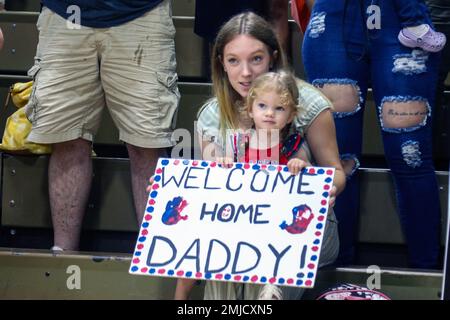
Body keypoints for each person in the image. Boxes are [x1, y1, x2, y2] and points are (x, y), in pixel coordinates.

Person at [174, 12, 345, 300]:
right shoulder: (211, 115)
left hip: (299, 226)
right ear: (221, 64)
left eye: (256, 59)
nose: (245, 73)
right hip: (237, 225)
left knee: (270, 256)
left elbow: (336, 172)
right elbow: (209, 191)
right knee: (214, 243)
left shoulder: (309, 103)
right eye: (233, 61)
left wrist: (325, 188)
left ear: (273, 57)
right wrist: (173, 190)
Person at [25, 0, 180, 251]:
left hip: (141, 11)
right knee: (67, 139)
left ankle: (156, 257)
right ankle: (62, 256)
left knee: (147, 143)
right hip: (63, 12)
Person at [302, 0, 442, 268]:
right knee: (337, 160)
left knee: (410, 156)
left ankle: (428, 275)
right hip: (334, 18)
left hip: (401, 21)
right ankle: (336, 275)